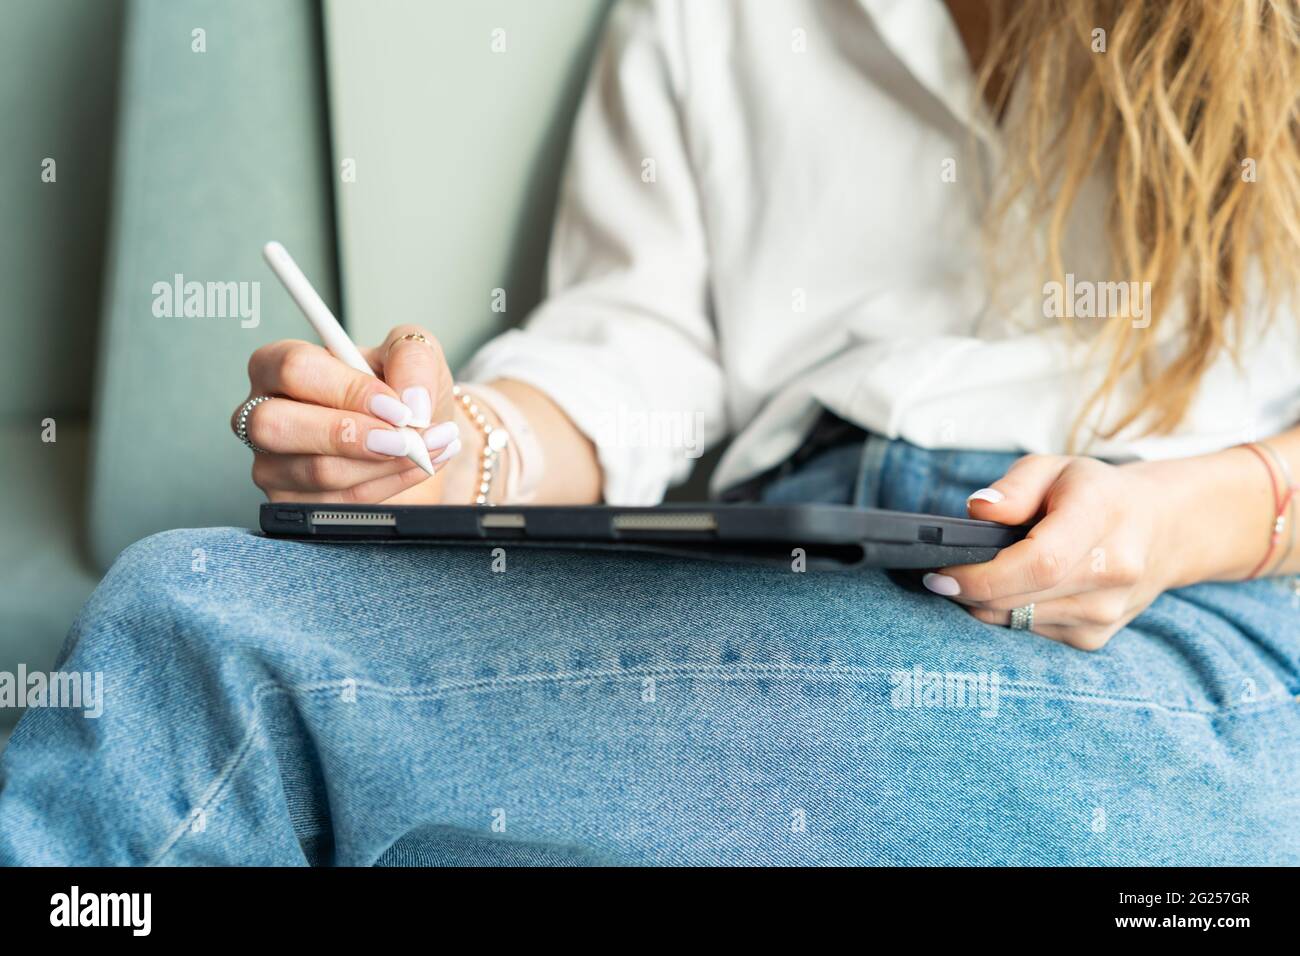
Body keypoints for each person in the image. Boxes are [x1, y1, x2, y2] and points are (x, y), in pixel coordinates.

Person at [2, 0, 1298, 865]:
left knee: (214, 668)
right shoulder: (712, 19)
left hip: (1180, 619)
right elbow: (633, 360)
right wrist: (462, 451)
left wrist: (1179, 518)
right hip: (804, 554)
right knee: (193, 606)